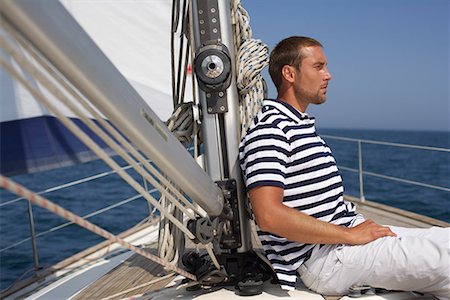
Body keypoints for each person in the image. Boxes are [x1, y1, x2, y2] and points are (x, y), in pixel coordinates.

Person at [239, 36, 449, 299]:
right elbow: (268, 214)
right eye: (318, 67)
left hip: (341, 243)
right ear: (289, 73)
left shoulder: (298, 125)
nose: (328, 75)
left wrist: (352, 230)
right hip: (324, 259)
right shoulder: (271, 130)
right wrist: (348, 235)